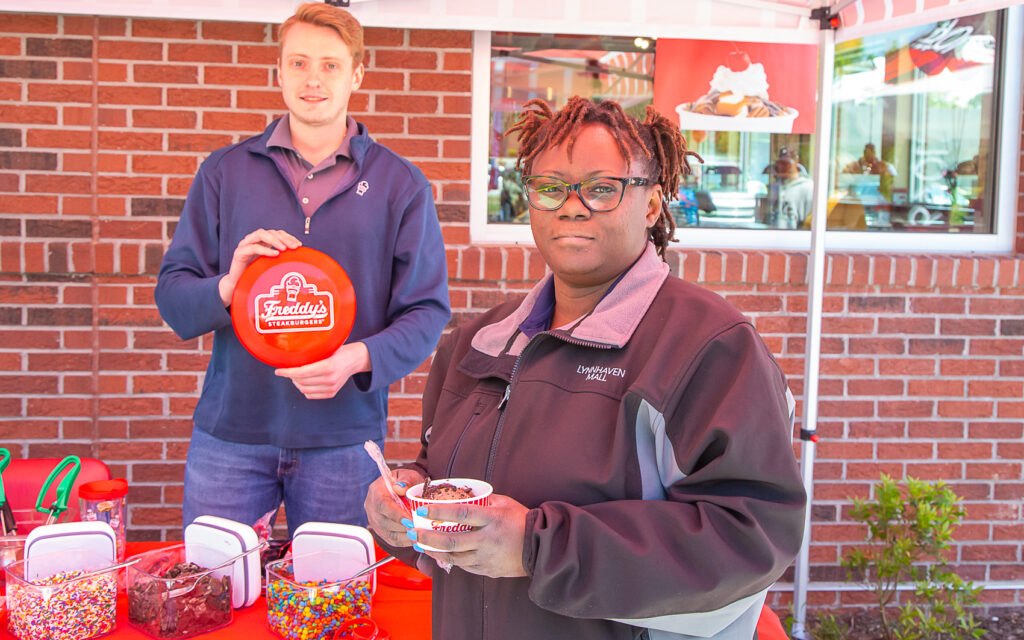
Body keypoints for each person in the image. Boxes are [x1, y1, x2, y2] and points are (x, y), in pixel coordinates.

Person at [365, 96, 807, 640]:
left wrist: (537, 547)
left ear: (652, 204)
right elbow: (445, 480)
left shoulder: (708, 346)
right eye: (551, 187)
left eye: (601, 188)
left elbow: (748, 537)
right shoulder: (476, 343)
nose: (572, 207)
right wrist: (408, 503)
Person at [154, 2, 450, 536]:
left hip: (344, 439)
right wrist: (230, 285)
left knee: (335, 588)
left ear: (356, 75)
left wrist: (356, 359)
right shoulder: (225, 172)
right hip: (231, 435)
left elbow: (427, 311)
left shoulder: (401, 184)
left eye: (330, 65)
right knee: (219, 584)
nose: (313, 79)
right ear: (279, 71)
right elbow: (174, 300)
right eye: (299, 63)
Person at [769, 148, 814, 229]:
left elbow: (811, 221)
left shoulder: (808, 187)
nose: (782, 167)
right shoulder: (777, 187)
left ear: (796, 162)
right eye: (780, 163)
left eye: (786, 163)